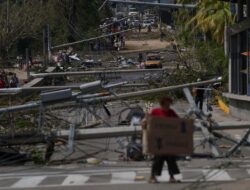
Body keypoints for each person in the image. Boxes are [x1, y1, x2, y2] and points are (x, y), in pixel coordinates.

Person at [142, 97, 181, 183]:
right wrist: (145, 124)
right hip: (158, 139)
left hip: (169, 139)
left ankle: (172, 177)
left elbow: (178, 122)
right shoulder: (156, 112)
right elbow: (147, 120)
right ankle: (152, 176)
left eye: (169, 104)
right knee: (158, 158)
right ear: (162, 104)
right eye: (166, 104)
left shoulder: (171, 112)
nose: (168, 106)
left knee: (170, 158)